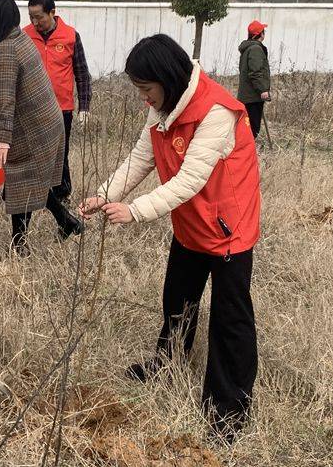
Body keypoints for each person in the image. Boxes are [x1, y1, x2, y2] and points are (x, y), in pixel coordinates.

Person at [79, 34, 261, 441]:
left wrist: (135, 211)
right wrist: (105, 195)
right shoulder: (162, 108)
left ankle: (227, 410)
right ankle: (168, 362)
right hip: (192, 224)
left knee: (230, 318)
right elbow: (142, 157)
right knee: (177, 299)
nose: (143, 98)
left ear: (168, 78)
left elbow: (190, 179)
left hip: (228, 226)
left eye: (146, 88)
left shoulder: (216, 111)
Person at [0, 0, 83, 255]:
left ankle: (20, 245)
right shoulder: (20, 38)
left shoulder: (5, 48)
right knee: (32, 178)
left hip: (34, 126)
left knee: (19, 178)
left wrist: (2, 139)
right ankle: (67, 222)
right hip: (48, 121)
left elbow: (4, 98)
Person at [24, 0, 92, 203]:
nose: (35, 22)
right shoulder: (24, 36)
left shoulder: (70, 36)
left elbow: (81, 73)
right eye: (31, 17)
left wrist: (85, 107)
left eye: (39, 17)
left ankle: (61, 196)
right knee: (30, 153)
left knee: (59, 155)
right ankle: (31, 194)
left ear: (52, 12)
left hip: (61, 108)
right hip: (32, 108)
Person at [237, 20, 271, 139]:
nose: (264, 33)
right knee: (253, 128)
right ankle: (248, 153)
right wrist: (262, 90)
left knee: (247, 127)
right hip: (253, 96)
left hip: (248, 95)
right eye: (263, 31)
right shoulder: (255, 49)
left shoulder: (248, 48)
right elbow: (255, 72)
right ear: (260, 34)